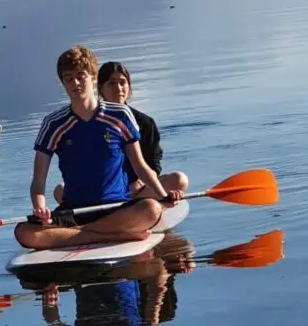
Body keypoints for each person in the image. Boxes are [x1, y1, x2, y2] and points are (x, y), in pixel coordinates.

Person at [14, 45, 182, 252]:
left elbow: (140, 167)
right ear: (63, 84)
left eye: (81, 76)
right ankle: (114, 234)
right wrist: (39, 206)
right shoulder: (53, 124)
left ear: (93, 78)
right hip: (74, 210)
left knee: (152, 208)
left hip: (116, 208)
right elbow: (38, 182)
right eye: (69, 78)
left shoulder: (120, 115)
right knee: (23, 232)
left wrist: (163, 194)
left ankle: (76, 236)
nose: (75, 83)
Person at [54, 60, 188, 205]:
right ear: (100, 88)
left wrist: (138, 184)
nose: (118, 88)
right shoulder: (89, 122)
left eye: (123, 82)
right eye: (111, 83)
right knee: (60, 190)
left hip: (138, 190)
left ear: (129, 87)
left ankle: (137, 208)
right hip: (101, 192)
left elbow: (153, 165)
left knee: (179, 179)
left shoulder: (145, 123)